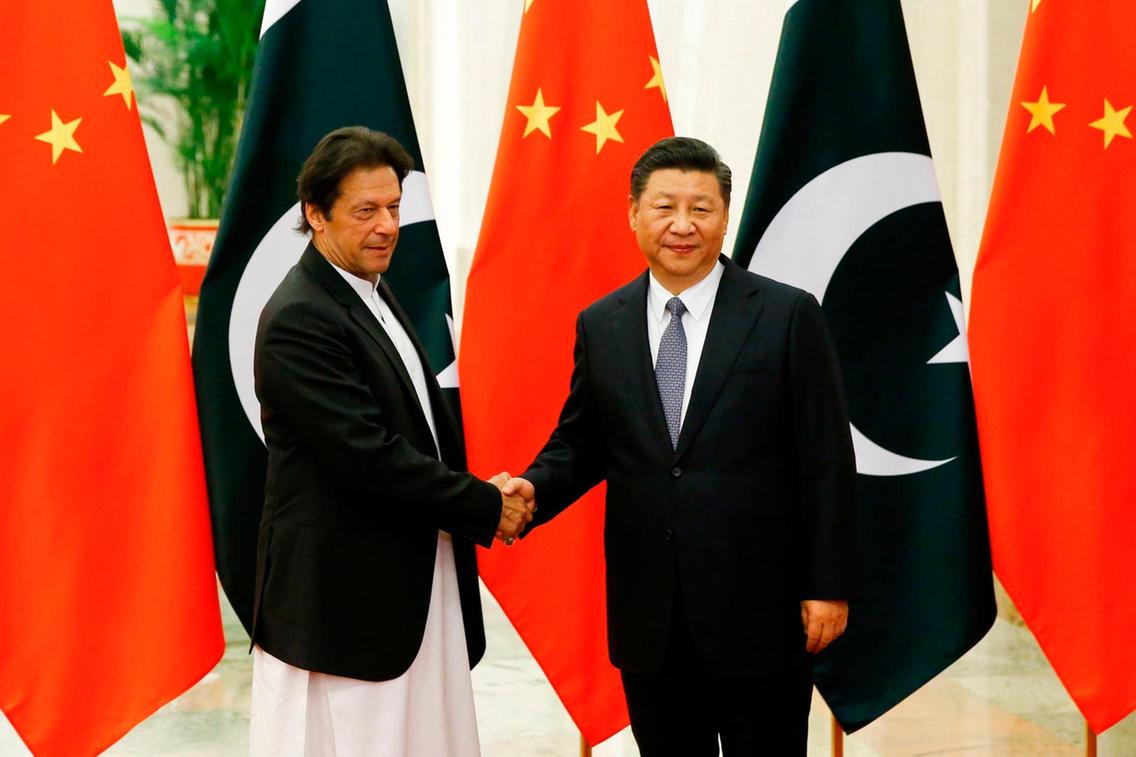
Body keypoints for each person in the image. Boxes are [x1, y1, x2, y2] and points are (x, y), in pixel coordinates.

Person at [503, 136, 858, 756]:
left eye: (702, 207)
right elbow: (583, 443)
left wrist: (828, 584)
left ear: (725, 216)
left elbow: (826, 461)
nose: (683, 225)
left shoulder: (785, 315)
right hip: (651, 619)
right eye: (665, 207)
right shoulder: (602, 322)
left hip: (761, 614)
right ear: (634, 214)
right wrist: (530, 492)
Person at [249, 126, 531, 756]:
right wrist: (487, 505)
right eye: (366, 211)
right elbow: (366, 459)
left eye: (396, 208)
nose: (387, 227)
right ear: (316, 215)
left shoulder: (371, 290)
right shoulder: (300, 315)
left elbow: (417, 434)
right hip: (345, 607)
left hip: (411, 583)